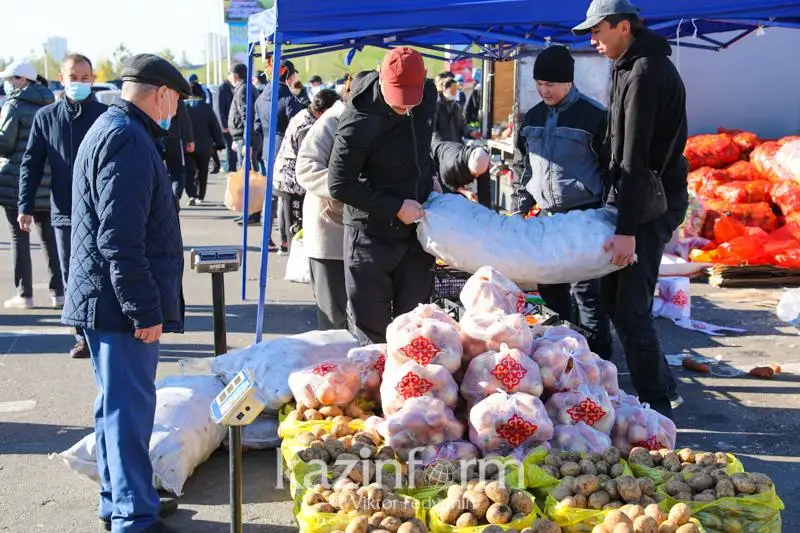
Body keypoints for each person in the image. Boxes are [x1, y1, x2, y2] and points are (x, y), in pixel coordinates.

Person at [62, 53, 189, 533]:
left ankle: (118, 496)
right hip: (118, 304)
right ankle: (133, 515)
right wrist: (143, 309)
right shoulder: (128, 139)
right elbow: (120, 237)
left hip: (103, 298)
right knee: (129, 410)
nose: (172, 109)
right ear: (160, 93)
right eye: (173, 100)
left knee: (114, 404)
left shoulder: (111, 127)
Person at [574, 0, 689, 416]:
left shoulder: (645, 72)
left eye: (598, 30)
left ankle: (656, 406)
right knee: (612, 299)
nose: (593, 40)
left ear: (623, 27)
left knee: (630, 308)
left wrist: (626, 229)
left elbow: (635, 159)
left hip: (646, 206)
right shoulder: (627, 65)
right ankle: (662, 386)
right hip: (632, 202)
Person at [328, 47, 437, 344]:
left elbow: (423, 150)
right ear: (381, 78)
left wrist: (432, 178)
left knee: (415, 330)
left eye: (410, 100)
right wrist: (394, 207)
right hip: (370, 238)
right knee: (372, 338)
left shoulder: (428, 97)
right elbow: (339, 183)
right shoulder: (359, 116)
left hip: (415, 236)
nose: (404, 107)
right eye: (397, 99)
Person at [515, 45, 614, 360]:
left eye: (551, 85)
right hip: (547, 217)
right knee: (550, 286)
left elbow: (611, 169)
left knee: (587, 292)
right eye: (539, 84)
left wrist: (611, 213)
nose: (544, 91)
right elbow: (523, 167)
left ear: (568, 81)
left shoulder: (594, 116)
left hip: (585, 214)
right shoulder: (533, 117)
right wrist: (519, 206)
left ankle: (598, 361)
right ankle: (560, 355)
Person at [18, 54, 106, 358]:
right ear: (61, 78)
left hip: (102, 211)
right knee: (72, 275)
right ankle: (82, 335)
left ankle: (106, 331)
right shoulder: (46, 117)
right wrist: (24, 205)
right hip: (65, 212)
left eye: (85, 77)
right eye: (73, 77)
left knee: (106, 270)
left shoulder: (106, 115)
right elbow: (31, 163)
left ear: (93, 79)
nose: (79, 83)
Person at [0, 60, 63, 310]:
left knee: (19, 238)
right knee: (50, 239)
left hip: (18, 181)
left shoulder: (15, 105)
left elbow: (5, 143)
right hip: (47, 181)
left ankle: (24, 294)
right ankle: (59, 292)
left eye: (11, 78)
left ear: (23, 80)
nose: (7, 83)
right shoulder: (52, 104)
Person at [297, 76, 353, 331]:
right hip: (328, 231)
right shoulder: (332, 120)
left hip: (356, 232)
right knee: (333, 317)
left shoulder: (365, 121)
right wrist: (346, 189)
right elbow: (306, 168)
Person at [273, 89, 339, 255]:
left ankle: (286, 245)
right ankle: (295, 255)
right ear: (323, 111)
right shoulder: (309, 125)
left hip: (285, 175)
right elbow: (309, 157)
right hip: (292, 180)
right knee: (295, 222)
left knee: (287, 215)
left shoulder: (303, 114)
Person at [252, 59, 303, 245]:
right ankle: (284, 239)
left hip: (266, 147)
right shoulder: (288, 99)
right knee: (284, 195)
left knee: (271, 195)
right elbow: (301, 124)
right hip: (285, 149)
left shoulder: (260, 98)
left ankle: (267, 237)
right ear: (288, 75)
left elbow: (256, 127)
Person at [184, 83, 225, 205]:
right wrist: (219, 144)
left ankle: (191, 194)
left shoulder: (183, 108)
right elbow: (215, 127)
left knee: (189, 172)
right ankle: (200, 196)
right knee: (203, 172)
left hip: (187, 146)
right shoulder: (206, 108)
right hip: (204, 146)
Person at [431, 140, 491, 207]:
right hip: (436, 160)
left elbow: (485, 189)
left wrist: (485, 208)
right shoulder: (451, 165)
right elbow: (446, 182)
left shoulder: (483, 162)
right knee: (448, 200)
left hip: (454, 168)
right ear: (468, 167)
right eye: (474, 173)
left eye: (480, 174)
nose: (477, 176)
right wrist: (465, 192)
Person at [228, 63, 262, 178]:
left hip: (246, 139)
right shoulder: (244, 88)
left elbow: (247, 117)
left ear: (235, 76)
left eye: (230, 74)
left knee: (248, 175)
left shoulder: (244, 89)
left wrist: (248, 143)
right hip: (242, 138)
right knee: (248, 173)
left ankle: (252, 196)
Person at [188, 73, 220, 173]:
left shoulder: (185, 106)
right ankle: (216, 164)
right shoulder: (204, 89)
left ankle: (216, 164)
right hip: (205, 119)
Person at [434, 78, 479, 143]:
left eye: (456, 90)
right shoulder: (436, 106)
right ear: (445, 89)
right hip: (443, 147)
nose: (455, 93)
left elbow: (463, 126)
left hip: (457, 146)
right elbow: (433, 131)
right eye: (453, 90)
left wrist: (470, 133)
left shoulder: (457, 107)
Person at [214, 77, 236, 172]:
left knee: (231, 146)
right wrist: (223, 125)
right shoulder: (222, 89)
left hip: (230, 123)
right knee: (229, 146)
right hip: (225, 123)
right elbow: (219, 107)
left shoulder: (230, 88)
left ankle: (231, 166)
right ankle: (229, 166)